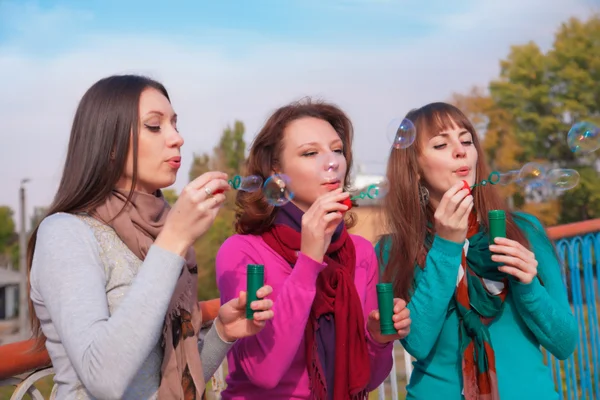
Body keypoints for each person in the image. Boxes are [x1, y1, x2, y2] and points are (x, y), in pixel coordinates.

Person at [27, 75, 275, 400]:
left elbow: (170, 382)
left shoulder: (159, 229)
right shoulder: (65, 233)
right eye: (155, 126)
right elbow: (103, 378)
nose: (178, 138)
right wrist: (173, 240)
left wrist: (223, 333)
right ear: (111, 143)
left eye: (175, 124)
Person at [376, 102, 578, 399]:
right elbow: (417, 341)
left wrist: (528, 285)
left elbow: (565, 343)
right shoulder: (394, 248)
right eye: (441, 144)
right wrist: (446, 245)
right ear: (415, 169)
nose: (461, 151)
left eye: (467, 140)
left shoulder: (524, 230)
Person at [215, 98, 411, 400]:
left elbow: (368, 380)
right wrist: (309, 260)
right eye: (310, 153)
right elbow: (263, 373)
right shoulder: (242, 252)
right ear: (277, 171)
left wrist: (378, 338)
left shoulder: (359, 252)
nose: (331, 162)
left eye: (337, 150)